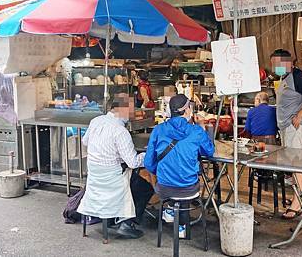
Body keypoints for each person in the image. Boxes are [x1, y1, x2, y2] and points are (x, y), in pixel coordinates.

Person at [77, 93, 153, 239]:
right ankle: (126, 223)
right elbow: (133, 162)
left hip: (94, 177)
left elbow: (85, 142)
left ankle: (112, 218)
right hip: (113, 179)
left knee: (133, 180)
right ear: (122, 109)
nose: (131, 114)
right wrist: (148, 154)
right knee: (145, 188)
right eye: (130, 110)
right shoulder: (120, 131)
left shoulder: (95, 121)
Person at [144, 94, 214, 239]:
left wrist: (165, 171)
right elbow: (209, 152)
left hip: (164, 188)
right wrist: (201, 126)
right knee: (185, 181)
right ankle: (182, 225)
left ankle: (170, 210)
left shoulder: (158, 130)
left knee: (172, 181)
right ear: (187, 111)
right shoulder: (196, 131)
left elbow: (149, 163)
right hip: (189, 188)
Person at [270, 49, 302, 219]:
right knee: (291, 164)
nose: (274, 67)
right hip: (286, 127)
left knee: (297, 164)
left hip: (295, 127)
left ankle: (297, 204)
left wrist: (300, 114)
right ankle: (297, 199)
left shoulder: (298, 75)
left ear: (286, 63)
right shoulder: (283, 78)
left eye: (276, 64)